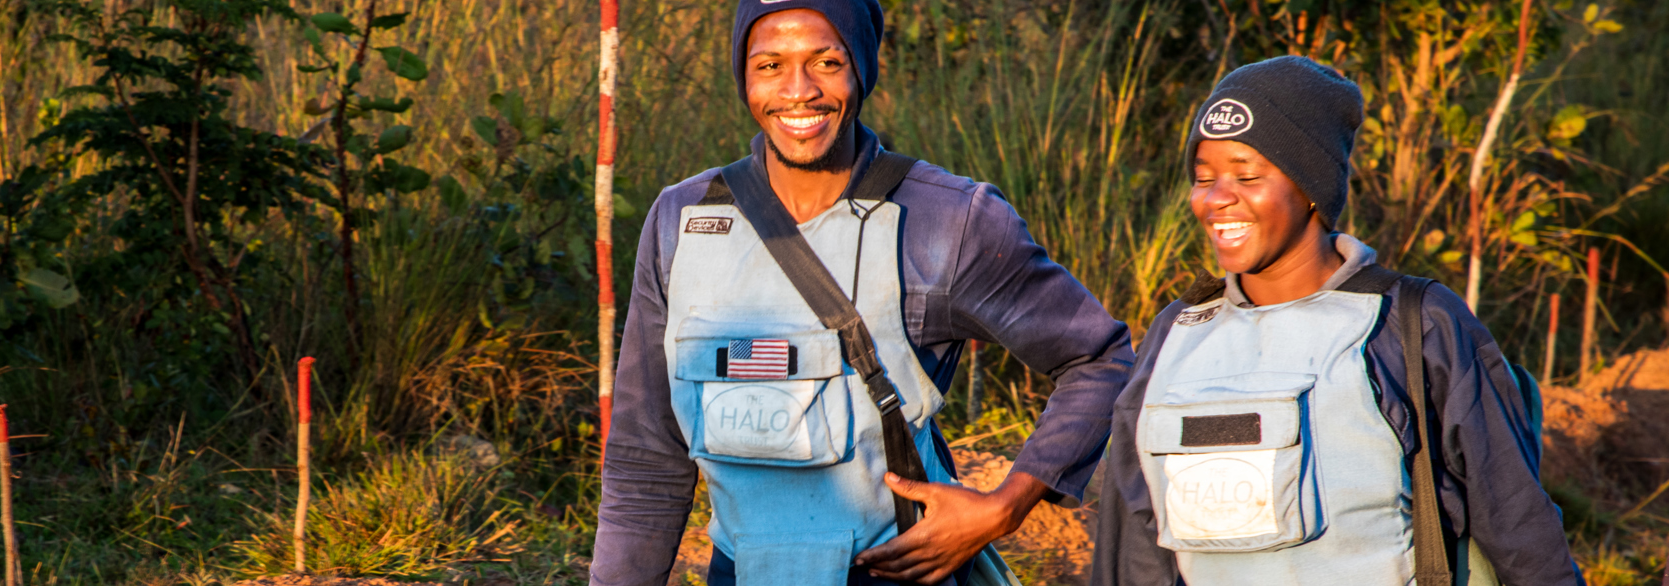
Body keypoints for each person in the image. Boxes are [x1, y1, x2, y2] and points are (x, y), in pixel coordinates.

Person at [590, 1, 1136, 584]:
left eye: (826, 61)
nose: (798, 91)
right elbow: (646, 459)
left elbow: (1100, 359)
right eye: (769, 65)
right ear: (743, 76)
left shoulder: (946, 221)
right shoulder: (682, 219)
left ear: (862, 69)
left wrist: (1005, 507)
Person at [1089, 56, 1584, 586]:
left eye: (1247, 175)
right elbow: (1135, 540)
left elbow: (1514, 517)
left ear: (1310, 187)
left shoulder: (1413, 322)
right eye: (1203, 178)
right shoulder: (1177, 334)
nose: (1216, 198)